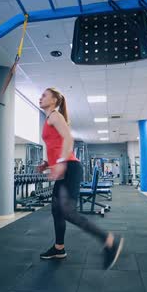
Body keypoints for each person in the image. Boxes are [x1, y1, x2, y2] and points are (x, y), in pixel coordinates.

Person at [36, 87, 124, 269]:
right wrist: (47, 162)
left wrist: (60, 162)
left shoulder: (55, 115)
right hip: (64, 167)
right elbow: (57, 144)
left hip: (69, 167)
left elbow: (69, 139)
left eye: (44, 95)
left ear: (54, 100)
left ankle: (109, 241)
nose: (40, 97)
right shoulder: (49, 118)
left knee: (68, 212)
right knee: (56, 210)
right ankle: (59, 248)